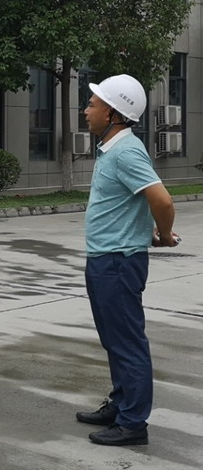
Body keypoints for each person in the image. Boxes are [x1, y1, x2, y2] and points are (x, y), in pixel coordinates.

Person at [76, 74, 178, 447]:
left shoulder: (126, 151)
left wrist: (164, 234)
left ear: (113, 113)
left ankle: (133, 422)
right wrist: (144, 230)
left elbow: (162, 200)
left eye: (93, 104)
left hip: (118, 262)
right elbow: (128, 204)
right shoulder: (112, 148)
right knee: (113, 339)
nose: (86, 110)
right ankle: (121, 404)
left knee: (127, 342)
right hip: (105, 258)